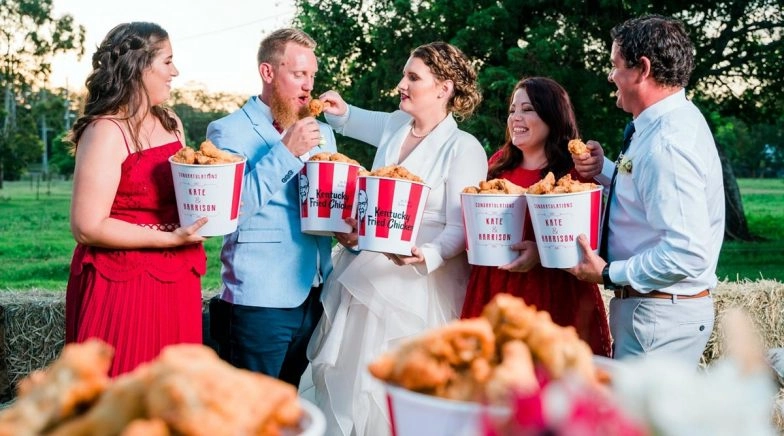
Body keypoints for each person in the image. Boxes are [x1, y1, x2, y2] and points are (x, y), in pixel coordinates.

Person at [304, 42, 488, 436]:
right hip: (364, 273)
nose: (401, 84)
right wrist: (339, 109)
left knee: (402, 394)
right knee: (351, 381)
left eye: (413, 77)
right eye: (405, 74)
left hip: (421, 283)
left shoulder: (464, 148)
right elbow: (352, 119)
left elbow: (461, 226)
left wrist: (428, 255)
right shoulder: (393, 125)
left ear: (444, 88)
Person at [569, 14, 724, 365]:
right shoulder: (668, 122)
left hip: (659, 316)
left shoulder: (666, 143)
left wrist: (608, 272)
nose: (610, 76)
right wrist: (605, 171)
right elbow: (651, 191)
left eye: (615, 65)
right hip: (656, 311)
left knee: (641, 421)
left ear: (641, 69)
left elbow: (687, 252)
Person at [65, 22, 208, 377]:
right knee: (120, 391)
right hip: (123, 281)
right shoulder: (105, 131)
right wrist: (167, 238)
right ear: (139, 66)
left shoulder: (172, 122)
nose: (175, 71)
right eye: (168, 62)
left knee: (172, 395)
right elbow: (87, 226)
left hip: (178, 276)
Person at [205, 28, 336, 386]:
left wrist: (347, 226)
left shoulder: (322, 131)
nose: (308, 86)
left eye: (312, 75)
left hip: (314, 295)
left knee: (285, 411)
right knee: (249, 414)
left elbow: (325, 204)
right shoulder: (227, 132)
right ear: (268, 72)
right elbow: (229, 212)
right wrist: (285, 152)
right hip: (258, 301)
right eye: (298, 74)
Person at [460, 77, 612, 357]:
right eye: (512, 110)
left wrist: (540, 253)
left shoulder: (574, 172)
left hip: (553, 292)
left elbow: (587, 243)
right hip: (495, 288)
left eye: (527, 109)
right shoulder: (496, 165)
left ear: (552, 115)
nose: (516, 118)